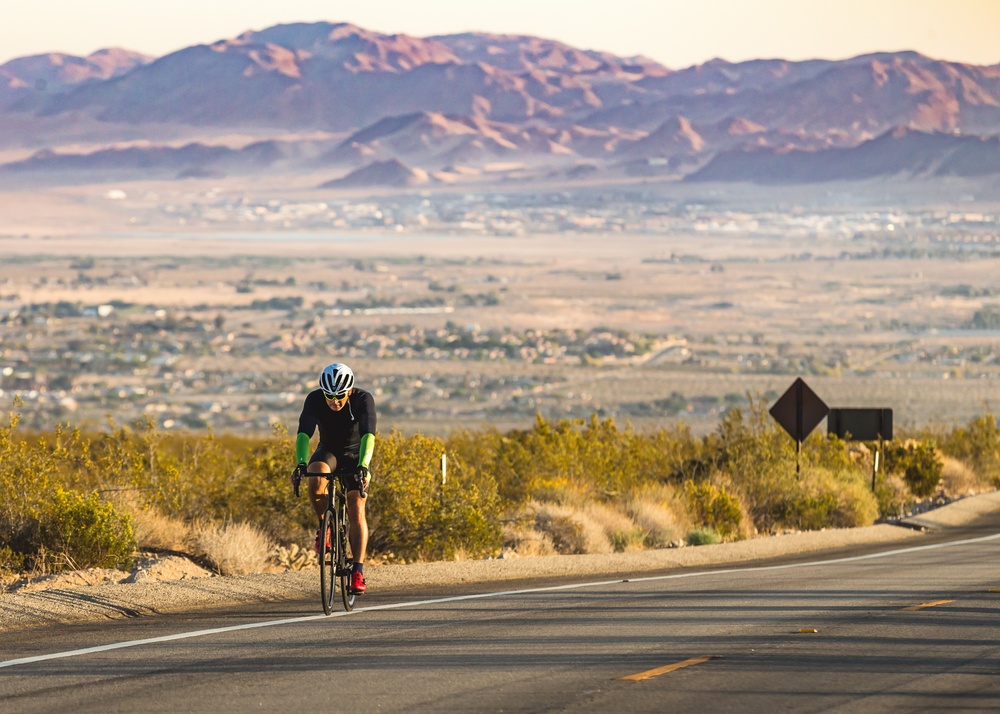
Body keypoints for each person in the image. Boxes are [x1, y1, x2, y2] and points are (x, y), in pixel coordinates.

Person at [292, 362, 376, 594]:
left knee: (356, 505)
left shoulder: (363, 399)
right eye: (329, 395)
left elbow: (369, 434)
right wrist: (300, 462)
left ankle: (357, 569)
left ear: (349, 391)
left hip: (355, 455)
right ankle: (325, 526)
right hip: (328, 450)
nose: (334, 401)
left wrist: (364, 466)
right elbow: (303, 432)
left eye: (339, 395)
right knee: (315, 476)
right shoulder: (314, 399)